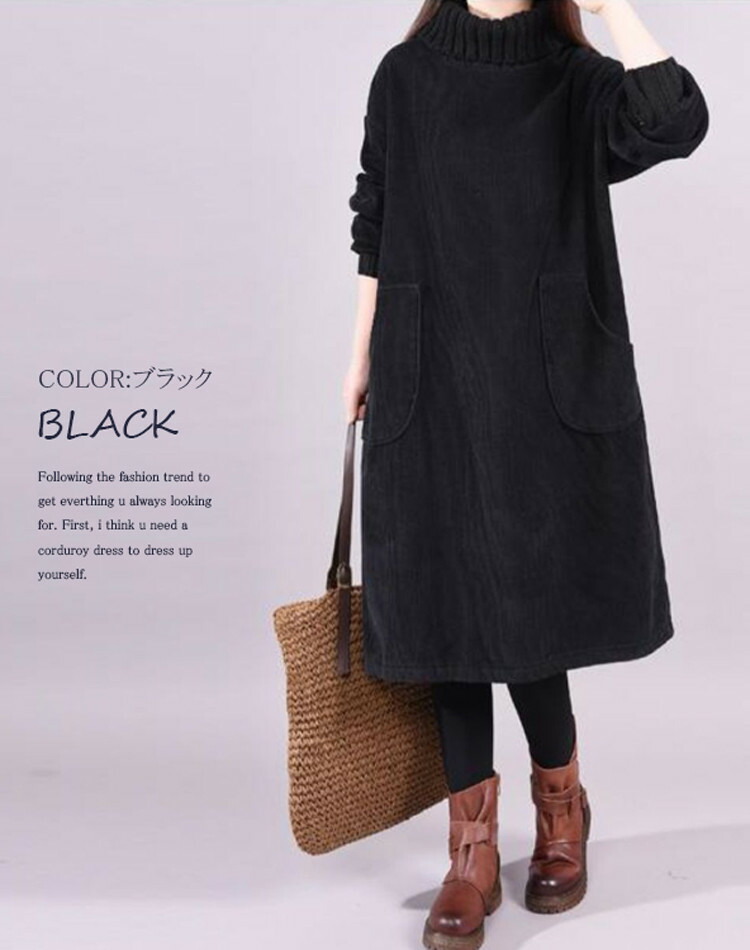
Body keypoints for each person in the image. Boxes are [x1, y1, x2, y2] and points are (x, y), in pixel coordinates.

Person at [342, 1, 709, 948]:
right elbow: (375, 215)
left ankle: (560, 810)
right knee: (442, 606)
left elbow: (675, 119)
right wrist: (362, 355)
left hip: (542, 374)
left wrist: (610, 5)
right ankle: (469, 850)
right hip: (427, 363)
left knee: (529, 595)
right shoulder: (406, 76)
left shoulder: (578, 81)